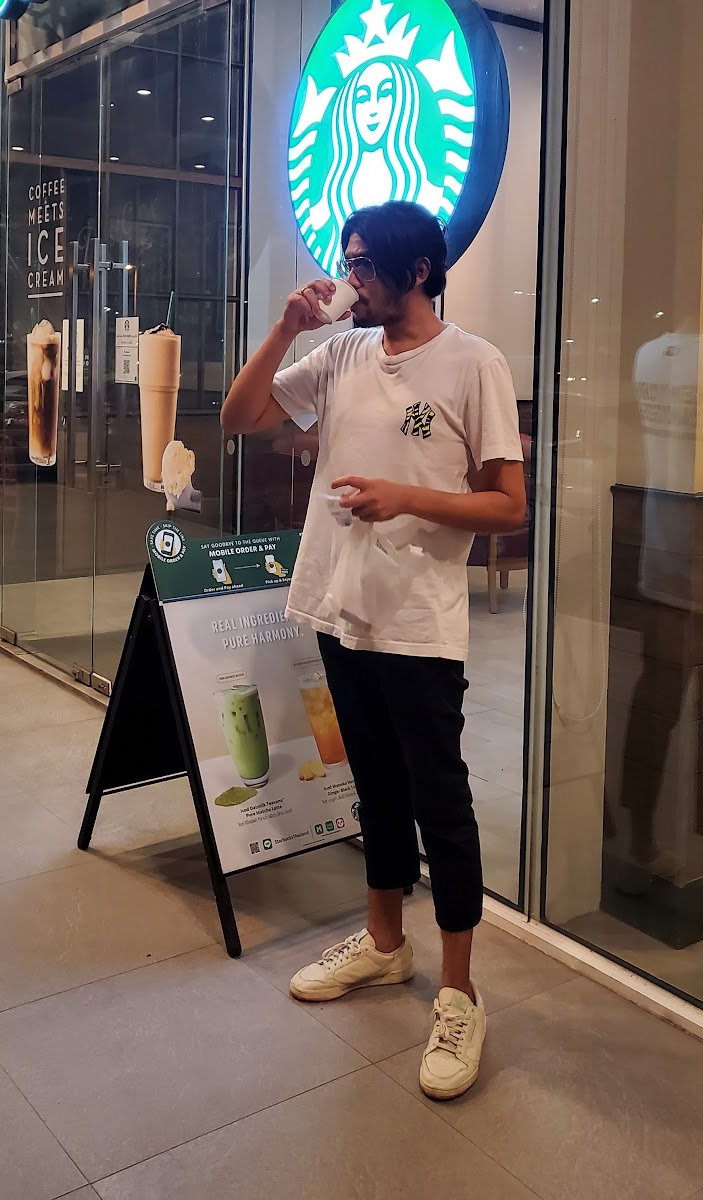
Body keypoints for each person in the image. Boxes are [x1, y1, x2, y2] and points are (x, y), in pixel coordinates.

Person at [221, 200, 526, 1100]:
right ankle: (387, 943)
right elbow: (240, 417)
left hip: (419, 623)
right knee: (376, 787)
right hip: (339, 606)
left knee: (441, 801)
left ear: (418, 272)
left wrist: (408, 497)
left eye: (362, 264)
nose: (348, 277)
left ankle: (461, 993)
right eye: (346, 260)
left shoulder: (474, 363)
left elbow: (509, 504)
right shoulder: (343, 352)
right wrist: (285, 328)